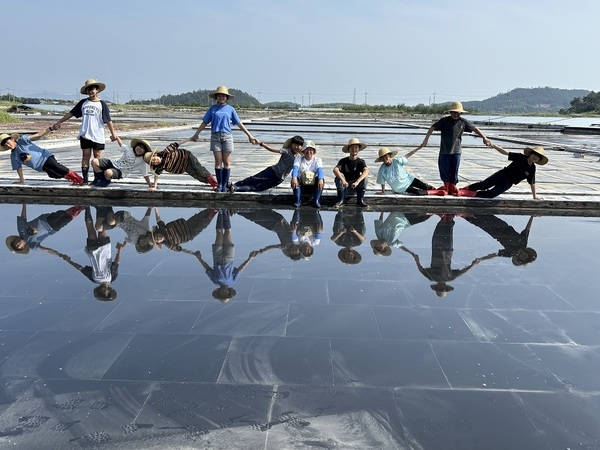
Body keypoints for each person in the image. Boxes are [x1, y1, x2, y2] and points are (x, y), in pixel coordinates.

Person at [401, 214, 496, 297]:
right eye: (443, 288)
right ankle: (449, 214)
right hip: (447, 249)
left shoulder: (432, 277)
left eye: (440, 288)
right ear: (445, 286)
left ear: (438, 286)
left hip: (438, 248)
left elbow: (421, 269)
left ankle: (447, 214)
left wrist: (416, 259)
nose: (442, 286)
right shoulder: (448, 277)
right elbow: (463, 272)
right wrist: (473, 265)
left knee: (443, 228)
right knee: (448, 228)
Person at [188, 86, 258, 192]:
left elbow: (239, 123)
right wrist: (196, 134)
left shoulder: (230, 109)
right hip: (215, 137)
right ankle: (219, 184)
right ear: (216, 97)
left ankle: (225, 185)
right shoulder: (212, 109)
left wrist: (249, 135)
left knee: (227, 163)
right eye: (219, 96)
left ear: (227, 97)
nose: (221, 98)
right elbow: (205, 122)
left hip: (227, 137)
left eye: (223, 96)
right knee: (218, 162)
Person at [51, 79, 121, 183]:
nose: (91, 91)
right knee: (85, 156)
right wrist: (59, 122)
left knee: (97, 158)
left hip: (97, 134)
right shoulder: (83, 103)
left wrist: (113, 134)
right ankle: (85, 180)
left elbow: (108, 120)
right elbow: (71, 113)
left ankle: (97, 178)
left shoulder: (102, 104)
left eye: (92, 89)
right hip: (85, 134)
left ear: (97, 90)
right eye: (88, 89)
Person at [419, 101, 491, 195]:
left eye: (458, 113)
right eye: (454, 112)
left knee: (454, 169)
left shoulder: (463, 122)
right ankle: (446, 186)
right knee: (444, 169)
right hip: (445, 150)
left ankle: (452, 187)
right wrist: (426, 140)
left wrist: (484, 138)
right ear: (451, 112)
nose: (456, 114)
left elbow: (475, 129)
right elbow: (432, 127)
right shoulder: (444, 121)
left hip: (456, 151)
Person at [58, 206, 124, 301]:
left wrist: (69, 261)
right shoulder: (111, 278)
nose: (104, 292)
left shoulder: (94, 279)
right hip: (105, 249)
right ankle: (100, 208)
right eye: (106, 293)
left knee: (90, 229)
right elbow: (116, 264)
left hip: (93, 251)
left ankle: (87, 206)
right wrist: (119, 250)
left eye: (102, 293)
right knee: (101, 229)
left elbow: (81, 269)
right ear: (109, 291)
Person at [458, 144, 548, 199]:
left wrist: (534, 196)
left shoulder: (532, 169)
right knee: (484, 185)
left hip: (509, 182)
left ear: (539, 159)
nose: (535, 157)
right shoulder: (520, 157)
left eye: (538, 156)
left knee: (492, 194)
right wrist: (494, 146)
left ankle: (471, 194)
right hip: (503, 174)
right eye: (534, 154)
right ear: (531, 153)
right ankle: (466, 189)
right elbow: (506, 153)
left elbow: (532, 183)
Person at [1, 129, 84, 185]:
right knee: (53, 174)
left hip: (45, 157)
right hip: (40, 166)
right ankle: (73, 179)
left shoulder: (22, 141)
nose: (8, 145)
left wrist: (50, 129)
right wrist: (22, 180)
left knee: (58, 167)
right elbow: (18, 168)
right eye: (6, 145)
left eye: (8, 143)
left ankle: (78, 178)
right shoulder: (13, 156)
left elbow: (37, 135)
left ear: (12, 139)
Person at [229, 135, 305, 192]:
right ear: (291, 145)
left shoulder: (299, 158)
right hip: (272, 171)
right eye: (294, 144)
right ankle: (234, 185)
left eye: (298, 145)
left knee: (257, 188)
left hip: (279, 179)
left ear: (301, 147)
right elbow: (272, 149)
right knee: (253, 179)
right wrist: (262, 144)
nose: (296, 147)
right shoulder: (287, 151)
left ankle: (235, 188)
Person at [5, 203, 84, 255]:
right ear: (22, 247)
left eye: (16, 241)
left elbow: (23, 217)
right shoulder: (32, 245)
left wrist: (24, 204)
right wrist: (57, 254)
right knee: (68, 218)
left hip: (46, 219)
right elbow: (45, 250)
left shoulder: (21, 230)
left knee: (62, 214)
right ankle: (82, 207)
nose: (18, 242)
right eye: (18, 245)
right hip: (52, 228)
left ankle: (78, 206)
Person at [462, 214, 538, 266]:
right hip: (503, 226)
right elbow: (527, 229)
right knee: (486, 216)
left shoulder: (510, 253)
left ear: (520, 259)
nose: (523, 256)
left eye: (523, 258)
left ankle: (461, 214)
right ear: (527, 253)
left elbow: (495, 254)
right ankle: (472, 206)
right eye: (526, 256)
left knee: (478, 223)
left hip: (495, 233)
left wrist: (481, 259)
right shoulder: (523, 243)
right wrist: (532, 216)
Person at [143, 141, 218, 190]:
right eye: (154, 163)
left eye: (154, 159)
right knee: (199, 177)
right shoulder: (160, 166)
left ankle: (216, 184)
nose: (155, 162)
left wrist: (191, 138)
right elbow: (156, 175)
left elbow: (177, 144)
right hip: (185, 167)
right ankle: (215, 183)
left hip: (187, 157)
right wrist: (155, 187)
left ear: (155, 155)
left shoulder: (165, 152)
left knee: (200, 170)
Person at [374, 147, 446, 196]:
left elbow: (407, 156)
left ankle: (438, 189)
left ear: (389, 155)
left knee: (425, 186)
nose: (384, 158)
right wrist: (383, 192)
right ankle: (437, 192)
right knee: (418, 192)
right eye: (382, 157)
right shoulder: (382, 170)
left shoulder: (396, 161)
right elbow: (382, 182)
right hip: (401, 188)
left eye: (385, 156)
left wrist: (419, 148)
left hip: (409, 179)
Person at [333, 138, 370, 207]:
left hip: (355, 186)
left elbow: (367, 170)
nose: (354, 149)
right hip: (345, 186)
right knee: (338, 177)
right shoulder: (343, 161)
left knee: (365, 178)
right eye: (352, 147)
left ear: (358, 149)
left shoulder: (361, 161)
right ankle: (341, 199)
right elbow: (335, 169)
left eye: (356, 147)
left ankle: (360, 200)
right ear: (349, 149)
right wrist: (343, 181)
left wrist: (357, 182)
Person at [290, 140, 325, 208]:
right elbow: (295, 168)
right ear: (303, 151)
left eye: (311, 150)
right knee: (294, 178)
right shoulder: (299, 158)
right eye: (307, 150)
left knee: (321, 179)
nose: (309, 152)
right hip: (302, 184)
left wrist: (320, 179)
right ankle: (298, 200)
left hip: (313, 185)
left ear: (314, 151)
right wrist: (294, 178)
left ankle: (316, 201)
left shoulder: (317, 160)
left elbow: (320, 170)